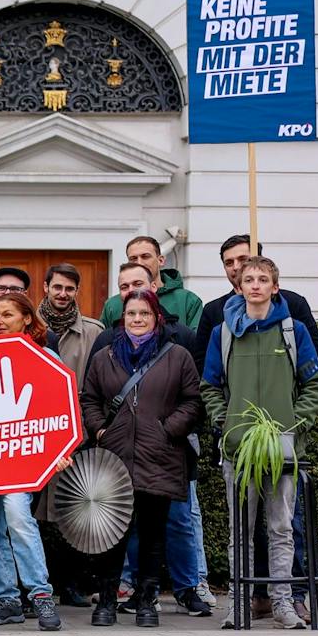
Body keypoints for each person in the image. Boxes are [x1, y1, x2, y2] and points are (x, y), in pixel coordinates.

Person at [201, 256, 318, 630]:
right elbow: (209, 385)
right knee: (240, 532)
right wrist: (225, 424)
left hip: (282, 448)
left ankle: (283, 603)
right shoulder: (223, 333)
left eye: (263, 279)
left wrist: (292, 425)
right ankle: (238, 604)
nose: (255, 285)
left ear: (274, 287)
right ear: (238, 287)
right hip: (239, 450)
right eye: (248, 279)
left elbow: (315, 384)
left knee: (281, 528)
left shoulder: (293, 331)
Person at [91, 261, 210, 613]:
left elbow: (193, 401)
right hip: (115, 458)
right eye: (131, 313)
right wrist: (100, 428)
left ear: (156, 316)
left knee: (154, 534)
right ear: (122, 317)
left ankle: (145, 599)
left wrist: (167, 430)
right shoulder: (104, 356)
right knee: (112, 534)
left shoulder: (177, 356)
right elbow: (89, 398)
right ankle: (109, 601)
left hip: (160, 457)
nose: (137, 318)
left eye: (144, 313)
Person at [0, 293, 63, 631]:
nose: (1, 321)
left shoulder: (44, 355)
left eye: (8, 315)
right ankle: (6, 600)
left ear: (26, 318)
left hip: (22, 462)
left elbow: (59, 408)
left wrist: (59, 450)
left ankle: (41, 596)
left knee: (20, 520)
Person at [33, 262, 105, 608]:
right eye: (57, 286)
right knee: (32, 513)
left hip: (76, 435)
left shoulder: (94, 332)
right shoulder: (24, 323)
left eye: (70, 289)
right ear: (45, 286)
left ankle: (73, 584)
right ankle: (36, 583)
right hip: (31, 432)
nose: (63, 294)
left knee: (73, 511)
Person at [196, 234, 318, 366]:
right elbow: (202, 362)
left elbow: (317, 352)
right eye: (229, 262)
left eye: (242, 259)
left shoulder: (294, 303)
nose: (235, 267)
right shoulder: (212, 311)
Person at [99, 234, 203, 327]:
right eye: (133, 258)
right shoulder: (113, 305)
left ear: (161, 260)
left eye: (145, 257)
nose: (139, 262)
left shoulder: (188, 301)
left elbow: (196, 343)